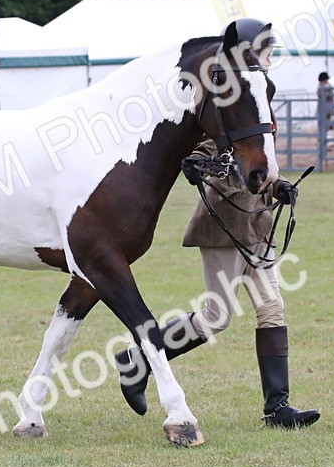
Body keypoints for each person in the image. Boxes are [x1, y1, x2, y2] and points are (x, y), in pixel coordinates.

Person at [113, 143, 321, 430]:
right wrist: (194, 164)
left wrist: (281, 187)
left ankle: (277, 407)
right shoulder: (227, 124)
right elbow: (200, 153)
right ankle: (137, 358)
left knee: (272, 308)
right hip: (223, 231)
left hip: (258, 230)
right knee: (217, 318)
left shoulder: (262, 127)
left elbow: (265, 173)